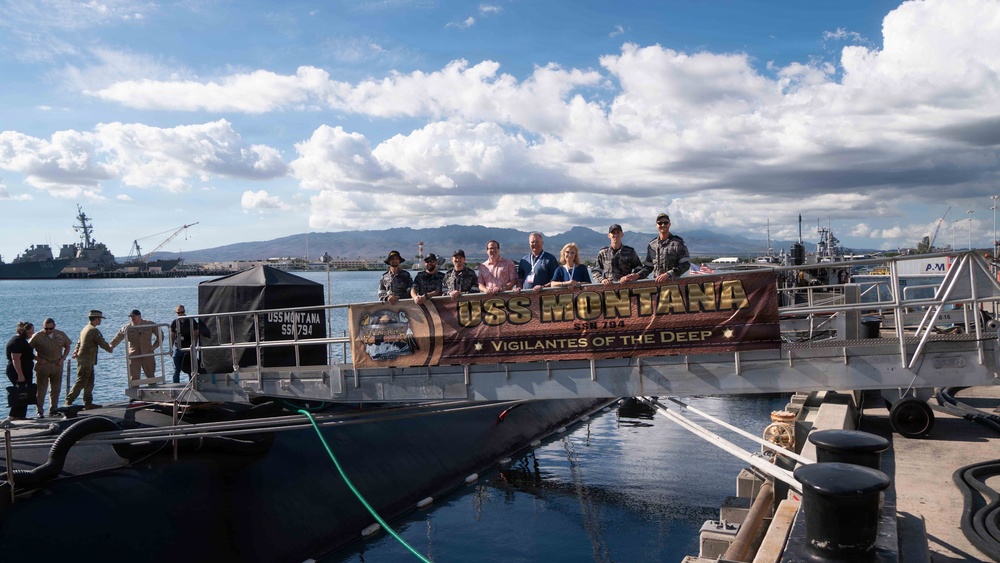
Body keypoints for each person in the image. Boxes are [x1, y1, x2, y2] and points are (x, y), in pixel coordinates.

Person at [67, 310, 113, 410]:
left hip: (87, 360)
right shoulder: (93, 330)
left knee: (90, 382)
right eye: (100, 319)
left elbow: (78, 342)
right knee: (81, 381)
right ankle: (69, 401)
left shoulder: (85, 329)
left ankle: (88, 402)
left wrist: (75, 351)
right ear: (96, 319)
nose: (100, 321)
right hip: (86, 360)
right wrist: (110, 348)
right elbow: (102, 343)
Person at [29, 317, 71, 417]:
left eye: (50, 328)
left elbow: (68, 346)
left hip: (57, 364)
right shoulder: (37, 336)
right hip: (43, 365)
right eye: (46, 328)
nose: (48, 331)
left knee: (56, 389)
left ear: (54, 327)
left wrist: (63, 358)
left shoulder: (60, 334)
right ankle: (40, 411)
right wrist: (37, 359)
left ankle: (54, 409)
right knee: (41, 390)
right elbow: (27, 349)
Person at [110, 309, 162, 382]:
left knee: (151, 376)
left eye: (134, 316)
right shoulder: (127, 328)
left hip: (147, 353)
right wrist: (111, 346)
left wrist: (154, 346)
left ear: (139, 316)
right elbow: (118, 338)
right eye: (131, 316)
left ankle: (153, 389)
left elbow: (160, 336)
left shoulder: (149, 324)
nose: (132, 318)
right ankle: (135, 390)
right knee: (134, 378)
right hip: (134, 355)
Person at [638, 213, 691, 282]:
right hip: (657, 285)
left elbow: (685, 264)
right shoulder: (652, 245)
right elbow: (648, 267)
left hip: (674, 285)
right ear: (656, 225)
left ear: (669, 224)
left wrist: (669, 274)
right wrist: (637, 275)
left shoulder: (677, 243)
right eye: (660, 223)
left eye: (666, 223)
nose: (663, 225)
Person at [5, 322, 35, 420]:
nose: (32, 334)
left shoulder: (22, 341)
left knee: (25, 392)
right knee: (21, 392)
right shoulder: (17, 341)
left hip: (24, 369)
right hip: (18, 370)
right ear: (24, 331)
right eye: (30, 332)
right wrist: (20, 374)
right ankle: (13, 415)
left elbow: (27, 355)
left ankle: (21, 415)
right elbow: (15, 358)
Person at [169, 305, 199, 384]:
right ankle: (175, 384)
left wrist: (194, 346)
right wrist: (170, 348)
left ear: (184, 312)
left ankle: (192, 383)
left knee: (190, 368)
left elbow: (196, 334)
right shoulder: (174, 322)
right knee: (176, 369)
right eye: (178, 313)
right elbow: (172, 336)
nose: (180, 314)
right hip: (178, 347)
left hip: (189, 347)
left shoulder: (191, 321)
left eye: (182, 312)